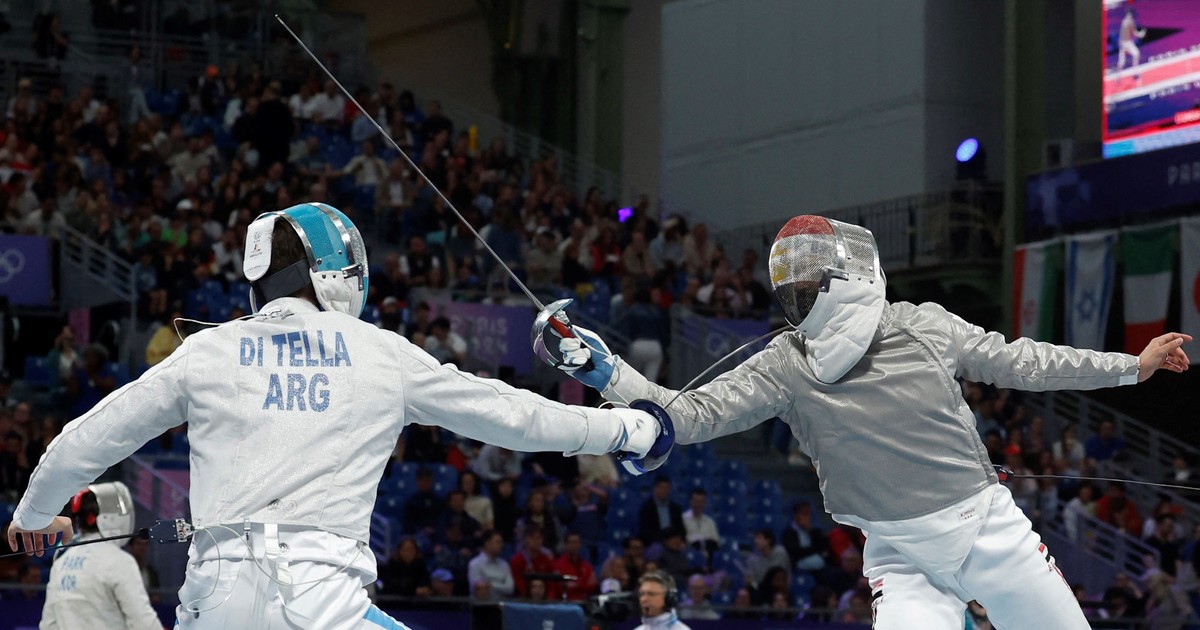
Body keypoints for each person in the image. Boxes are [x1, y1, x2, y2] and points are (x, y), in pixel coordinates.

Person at [6, 202, 664, 629]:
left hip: (215, 602)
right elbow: (508, 416)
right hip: (323, 605)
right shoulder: (379, 352)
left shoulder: (209, 351)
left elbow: (83, 442)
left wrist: (34, 518)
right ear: (339, 273)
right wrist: (626, 428)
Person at [555, 214, 1191, 629]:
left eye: (808, 273)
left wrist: (1129, 368)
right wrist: (610, 375)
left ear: (842, 272)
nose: (798, 285)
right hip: (898, 554)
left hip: (988, 534)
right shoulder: (785, 362)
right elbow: (688, 414)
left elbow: (1025, 362)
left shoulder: (922, 325)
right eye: (791, 277)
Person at [40, 482, 162, 630]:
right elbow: (143, 622)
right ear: (111, 518)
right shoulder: (119, 561)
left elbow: (48, 624)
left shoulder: (61, 562)